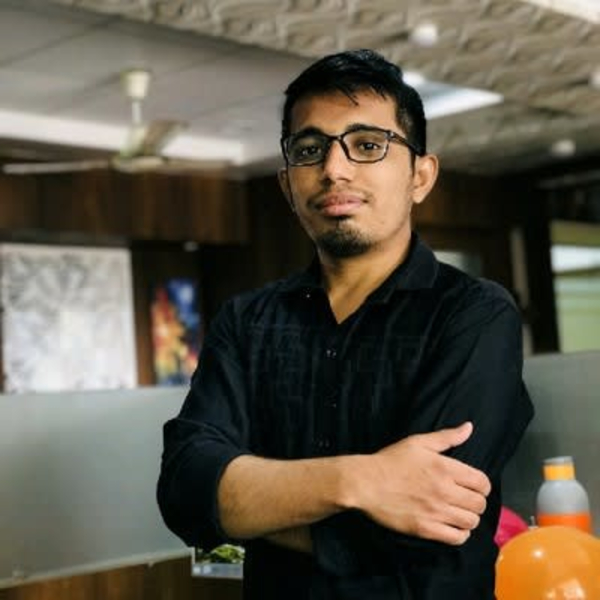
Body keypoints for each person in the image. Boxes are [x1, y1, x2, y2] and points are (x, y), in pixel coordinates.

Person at [157, 48, 534, 599]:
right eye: (309, 150)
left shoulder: (474, 314)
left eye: (368, 145)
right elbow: (185, 492)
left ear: (420, 176)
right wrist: (361, 479)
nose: (334, 169)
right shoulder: (246, 322)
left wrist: (249, 509)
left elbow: (426, 523)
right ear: (288, 184)